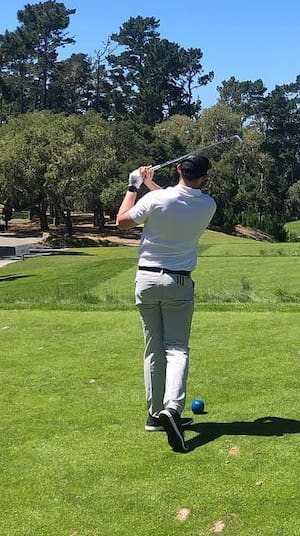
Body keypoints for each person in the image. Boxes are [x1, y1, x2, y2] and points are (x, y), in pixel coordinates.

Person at [116, 154, 217, 453]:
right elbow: (174, 202)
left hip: (146, 280)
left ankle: (154, 415)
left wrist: (134, 186)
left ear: (178, 169)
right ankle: (172, 409)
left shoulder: (157, 200)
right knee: (176, 348)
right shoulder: (207, 205)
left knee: (153, 349)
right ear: (205, 177)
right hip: (178, 283)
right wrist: (148, 184)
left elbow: (122, 221)